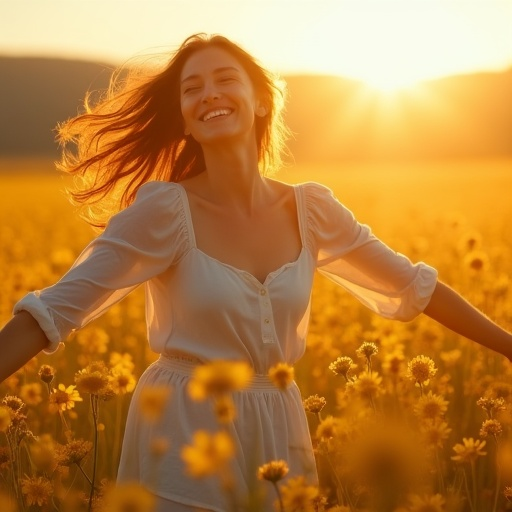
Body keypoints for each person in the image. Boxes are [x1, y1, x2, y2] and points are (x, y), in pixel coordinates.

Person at [1, 33, 511, 511]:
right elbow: (53, 311)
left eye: (226, 79)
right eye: (192, 88)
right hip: (184, 428)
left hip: (279, 427)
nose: (210, 94)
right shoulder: (164, 211)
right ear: (183, 119)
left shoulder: (311, 209)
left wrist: (508, 345)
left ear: (261, 100)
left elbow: (414, 286)